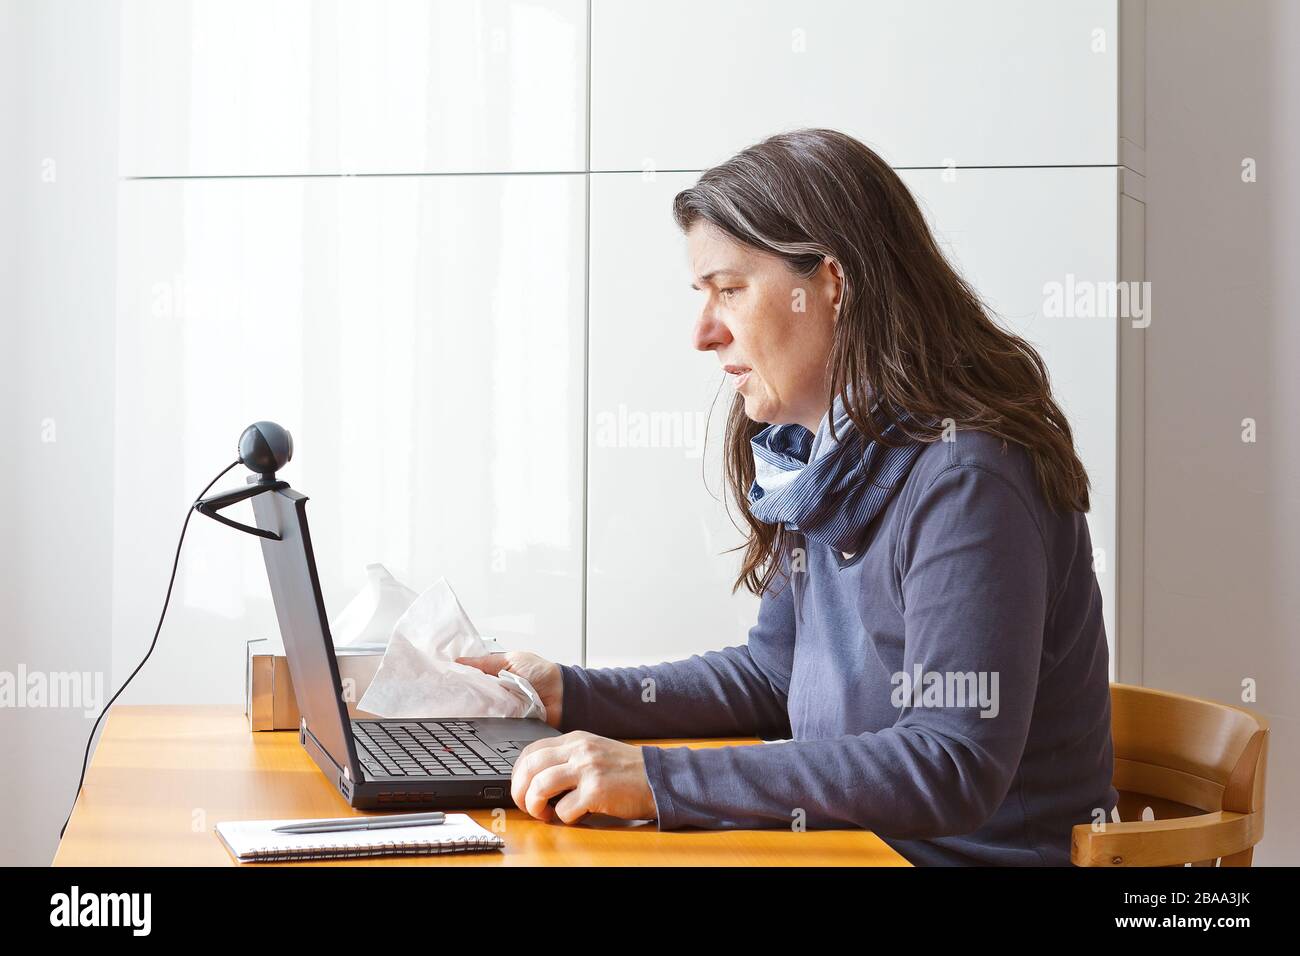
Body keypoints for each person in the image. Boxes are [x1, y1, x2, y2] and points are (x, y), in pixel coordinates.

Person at [460, 128, 1117, 866]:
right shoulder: (831, 455)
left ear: (830, 283)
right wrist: (565, 693)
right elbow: (773, 676)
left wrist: (657, 777)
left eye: (730, 290)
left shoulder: (970, 479)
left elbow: (950, 761)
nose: (703, 333)